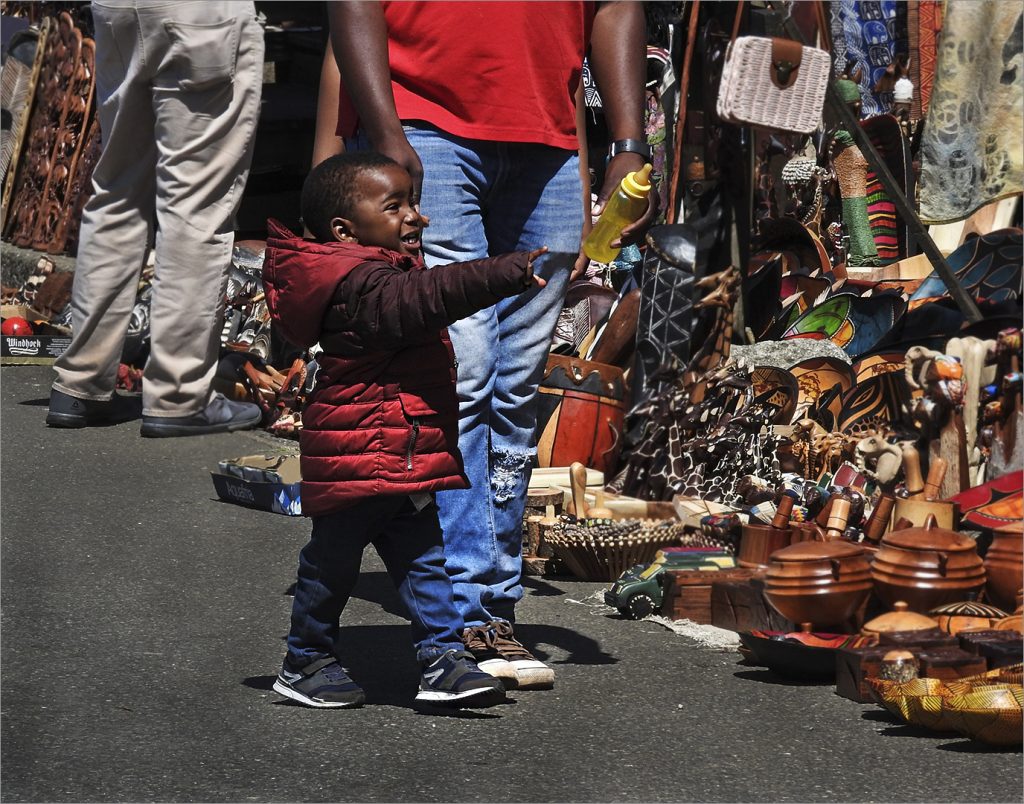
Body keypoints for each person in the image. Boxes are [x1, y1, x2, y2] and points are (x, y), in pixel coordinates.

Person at [328, 1, 655, 689]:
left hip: (549, 143)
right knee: (465, 370)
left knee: (515, 386)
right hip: (425, 125)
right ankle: (464, 604)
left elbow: (613, 7)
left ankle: (490, 597)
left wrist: (628, 141)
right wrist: (384, 132)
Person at [263, 152, 549, 708]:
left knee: (424, 563)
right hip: (359, 455)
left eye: (413, 203)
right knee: (331, 565)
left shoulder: (381, 271)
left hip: (398, 451)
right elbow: (426, 298)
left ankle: (443, 661)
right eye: (394, 206)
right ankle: (305, 661)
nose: (416, 217)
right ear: (345, 230)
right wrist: (504, 272)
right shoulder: (360, 284)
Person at [46, 0, 264, 437]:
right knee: (195, 204)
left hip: (119, 9)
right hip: (200, 14)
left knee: (118, 194)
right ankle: (178, 394)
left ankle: (80, 383)